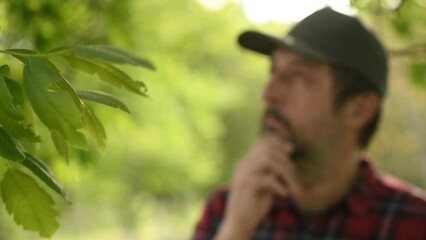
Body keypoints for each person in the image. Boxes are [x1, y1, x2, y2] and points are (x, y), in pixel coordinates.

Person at [192, 7, 426, 240]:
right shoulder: (226, 208)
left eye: (297, 75)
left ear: (359, 109)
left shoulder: (414, 221)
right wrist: (235, 230)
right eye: (273, 71)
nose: (269, 93)